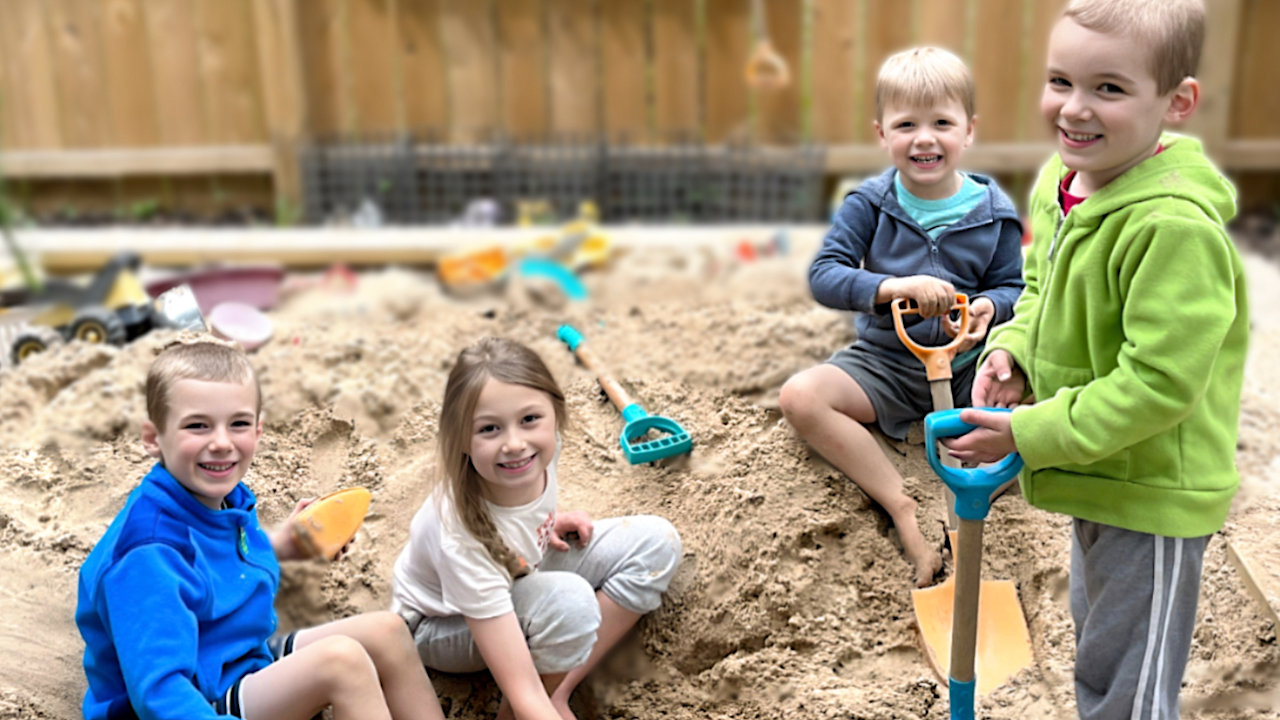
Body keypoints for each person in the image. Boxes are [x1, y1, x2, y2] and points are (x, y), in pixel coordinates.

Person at [944, 1, 1249, 717]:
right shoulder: (1068, 181)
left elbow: (1160, 383)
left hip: (1153, 491)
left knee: (1131, 691)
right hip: (1092, 465)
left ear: (1176, 103)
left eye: (1109, 88)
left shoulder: (1171, 228)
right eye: (1061, 81)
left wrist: (1029, 432)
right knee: (1102, 652)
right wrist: (1012, 350)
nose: (1074, 109)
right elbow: (1043, 284)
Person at [76, 339, 446, 720]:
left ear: (258, 429)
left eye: (237, 424)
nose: (221, 443)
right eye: (197, 426)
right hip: (194, 702)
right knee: (342, 662)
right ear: (154, 437)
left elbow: (207, 561)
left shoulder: (216, 497)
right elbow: (160, 695)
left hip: (234, 659)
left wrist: (281, 545)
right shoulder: (148, 552)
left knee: (387, 632)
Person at [778, 46, 1025, 587]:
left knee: (1041, 385)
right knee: (801, 397)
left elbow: (1013, 287)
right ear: (881, 134)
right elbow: (825, 274)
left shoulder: (994, 212)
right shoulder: (868, 203)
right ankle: (902, 503)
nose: (924, 138)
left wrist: (988, 307)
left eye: (942, 122)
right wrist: (891, 287)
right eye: (906, 124)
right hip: (886, 363)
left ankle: (980, 485)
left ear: (969, 131)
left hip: (965, 367)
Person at [392, 337, 683, 720]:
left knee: (656, 543)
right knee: (570, 605)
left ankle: (558, 689)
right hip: (441, 625)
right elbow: (522, 690)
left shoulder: (542, 450)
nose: (515, 444)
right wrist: (530, 704)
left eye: (530, 419)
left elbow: (515, 515)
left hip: (519, 569)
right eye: (489, 429)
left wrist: (548, 522)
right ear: (460, 439)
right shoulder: (459, 537)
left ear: (554, 413)